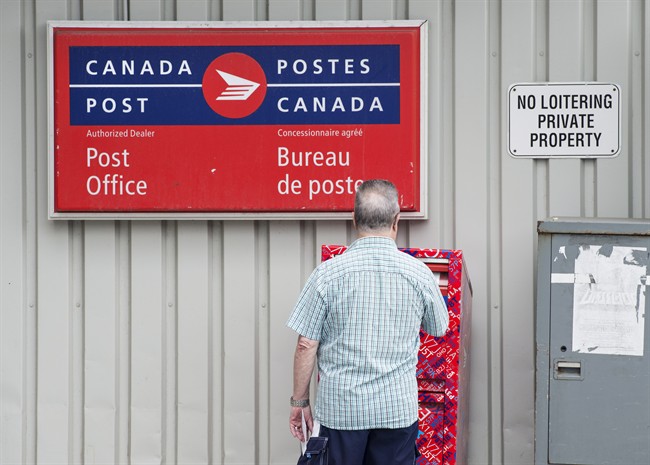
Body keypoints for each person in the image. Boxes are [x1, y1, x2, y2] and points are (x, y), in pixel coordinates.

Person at [286, 179, 449, 465]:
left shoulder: (327, 274)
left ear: (354, 219)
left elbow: (305, 344)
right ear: (396, 221)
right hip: (396, 412)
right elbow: (439, 327)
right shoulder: (419, 274)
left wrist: (300, 402)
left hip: (341, 412)